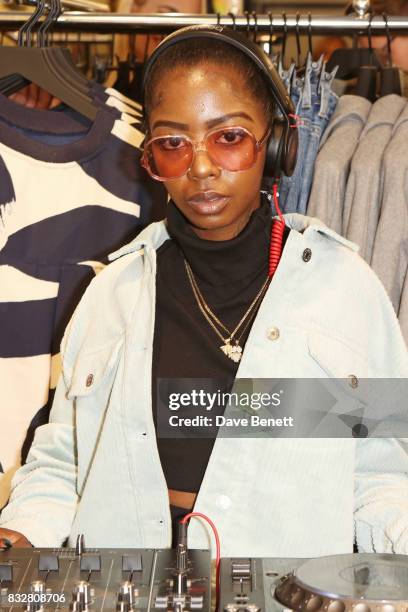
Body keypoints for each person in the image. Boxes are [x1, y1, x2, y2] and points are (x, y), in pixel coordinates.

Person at [0, 25, 407, 558]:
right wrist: (20, 536)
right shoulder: (112, 294)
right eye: (173, 143)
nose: (201, 167)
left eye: (230, 137)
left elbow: (384, 475)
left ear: (279, 144)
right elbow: (63, 462)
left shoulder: (345, 289)